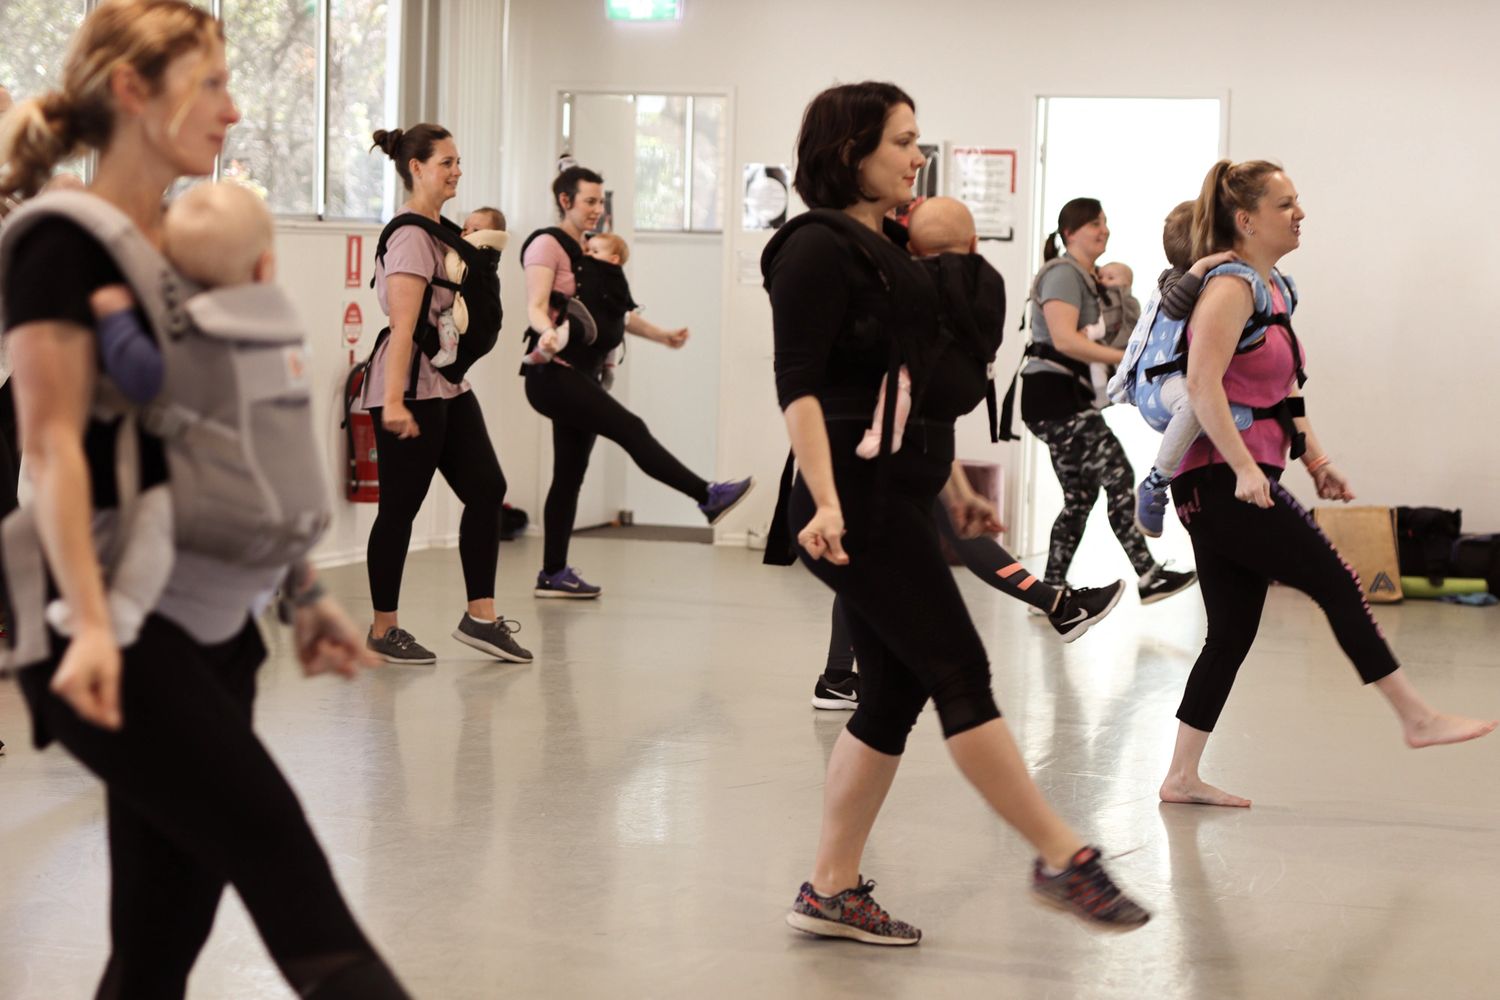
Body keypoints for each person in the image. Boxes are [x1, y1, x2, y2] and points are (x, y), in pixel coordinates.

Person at [0, 2, 409, 995]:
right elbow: (50, 445)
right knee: (287, 867)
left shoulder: (192, 245)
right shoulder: (61, 245)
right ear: (134, 92)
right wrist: (92, 629)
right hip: (107, 633)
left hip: (213, 627)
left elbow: (233, 441)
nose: (233, 108)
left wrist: (301, 590)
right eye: (212, 82)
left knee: (160, 935)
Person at [767, 81, 1149, 943]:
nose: (917, 157)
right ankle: (1061, 856)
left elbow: (900, 390)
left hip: (892, 489)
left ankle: (831, 889)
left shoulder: (885, 253)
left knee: (894, 692)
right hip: (849, 498)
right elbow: (800, 390)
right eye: (902, 141)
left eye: (917, 141)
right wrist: (826, 500)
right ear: (849, 152)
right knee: (958, 670)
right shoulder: (812, 252)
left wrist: (955, 489)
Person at [1159, 159, 1496, 808]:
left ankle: (1180, 776)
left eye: (1298, 201)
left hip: (1232, 481)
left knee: (1229, 634)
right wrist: (1245, 468)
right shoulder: (1228, 289)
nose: (1300, 213)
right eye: (1285, 204)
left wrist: (1315, 460)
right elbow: (1201, 388)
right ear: (1245, 219)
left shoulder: (1274, 290)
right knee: (1336, 579)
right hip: (1218, 481)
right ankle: (1416, 717)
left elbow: (1282, 394)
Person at [812, 198, 1123, 711]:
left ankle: (838, 676)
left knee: (879, 550)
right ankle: (1057, 604)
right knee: (883, 551)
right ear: (974, 246)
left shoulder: (900, 288)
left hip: (887, 435)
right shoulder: (942, 294)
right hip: (885, 438)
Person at [521, 165, 753, 599]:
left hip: (583, 376)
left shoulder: (592, 252)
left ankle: (553, 573)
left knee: (570, 475)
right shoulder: (545, 246)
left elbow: (618, 316)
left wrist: (662, 336)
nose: (597, 209)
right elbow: (535, 303)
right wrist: (545, 331)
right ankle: (706, 494)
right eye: (589, 201)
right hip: (552, 374)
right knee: (631, 428)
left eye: (601, 201)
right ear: (566, 201)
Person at [361, 123, 530, 664]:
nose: (457, 171)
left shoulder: (445, 229)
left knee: (487, 489)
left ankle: (480, 617)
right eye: (447, 162)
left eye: (458, 161)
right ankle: (384, 629)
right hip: (410, 387)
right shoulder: (411, 234)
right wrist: (391, 403)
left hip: (448, 384)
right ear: (416, 168)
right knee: (400, 511)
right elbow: (406, 327)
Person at [1020, 197, 1196, 604]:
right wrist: (1128, 361)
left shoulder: (1091, 280)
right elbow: (1066, 340)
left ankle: (1051, 591)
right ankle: (1149, 577)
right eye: (1094, 224)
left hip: (1061, 398)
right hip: (1054, 397)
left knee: (1080, 497)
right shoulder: (1063, 274)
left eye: (1105, 223)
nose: (1104, 230)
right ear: (1070, 233)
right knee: (1118, 475)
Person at [1132, 201, 1239, 537]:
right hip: (1160, 384)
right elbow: (1177, 307)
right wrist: (1202, 267)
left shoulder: (1220, 282)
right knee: (1195, 403)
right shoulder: (1174, 279)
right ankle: (1154, 482)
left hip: (1183, 378)